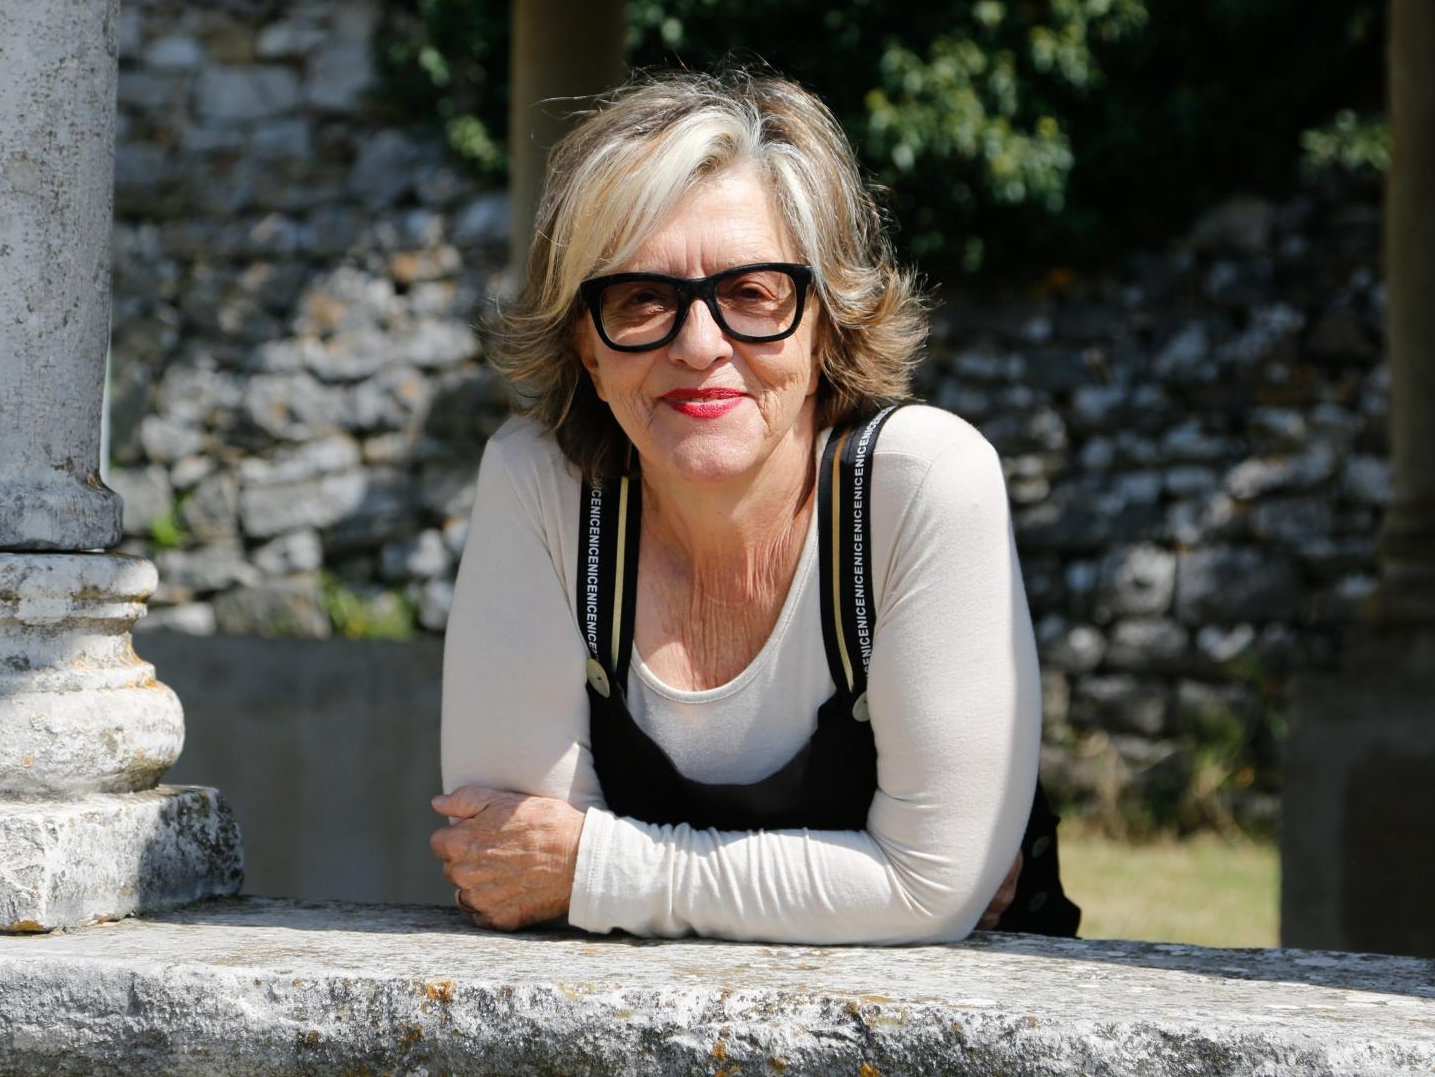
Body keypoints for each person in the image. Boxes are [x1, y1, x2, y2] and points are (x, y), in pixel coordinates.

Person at [431, 69, 1073, 944]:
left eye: (752, 293)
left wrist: (592, 868)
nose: (699, 345)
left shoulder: (919, 484)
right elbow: (507, 866)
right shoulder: (540, 487)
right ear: (586, 347)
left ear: (825, 324)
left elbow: (931, 889)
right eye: (641, 298)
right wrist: (858, 886)